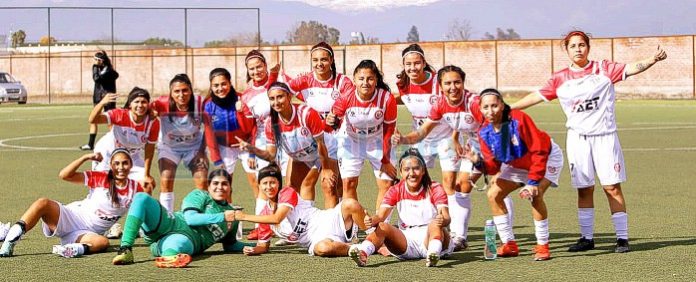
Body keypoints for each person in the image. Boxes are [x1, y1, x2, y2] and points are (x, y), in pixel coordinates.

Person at [512, 30, 667, 253]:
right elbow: (536, 95)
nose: (578, 49)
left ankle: (622, 239)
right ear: (567, 50)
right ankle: (587, 238)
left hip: (605, 137)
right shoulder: (559, 78)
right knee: (584, 189)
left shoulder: (604, 69)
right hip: (578, 140)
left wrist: (652, 59)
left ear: (588, 47)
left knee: (611, 187)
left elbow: (631, 68)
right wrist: (508, 108)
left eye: (582, 45)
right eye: (573, 46)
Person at [393, 65, 514, 250]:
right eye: (447, 83)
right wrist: (404, 139)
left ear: (463, 83)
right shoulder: (441, 103)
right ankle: (460, 237)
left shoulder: (474, 102)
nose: (453, 87)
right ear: (440, 86)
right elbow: (423, 131)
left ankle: (508, 238)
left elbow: (494, 128)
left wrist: (491, 161)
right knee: (460, 187)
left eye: (457, 82)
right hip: (475, 145)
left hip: (497, 141)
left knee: (498, 187)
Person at [465, 88, 564, 260]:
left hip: (546, 157)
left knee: (536, 195)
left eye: (494, 105)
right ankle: (509, 244)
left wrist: (533, 182)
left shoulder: (518, 119)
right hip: (517, 163)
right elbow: (494, 166)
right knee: (493, 194)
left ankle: (542, 245)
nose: (490, 111)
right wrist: (477, 162)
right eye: (486, 107)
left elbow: (538, 151)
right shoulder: (484, 133)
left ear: (502, 105)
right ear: (480, 109)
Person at [0, 149, 143, 258]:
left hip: (86, 234)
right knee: (42, 203)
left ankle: (70, 249)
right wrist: (85, 157)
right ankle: (10, 241)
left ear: (131, 165)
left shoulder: (135, 189)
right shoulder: (101, 178)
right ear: (111, 165)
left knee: (103, 243)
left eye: (125, 163)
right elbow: (65, 175)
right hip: (72, 217)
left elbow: (143, 209)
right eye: (116, 163)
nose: (121, 167)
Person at [112, 169, 252, 268]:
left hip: (187, 240)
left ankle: (168, 256)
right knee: (141, 198)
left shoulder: (233, 216)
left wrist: (257, 246)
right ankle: (126, 249)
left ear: (230, 187)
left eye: (224, 184)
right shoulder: (199, 195)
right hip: (170, 223)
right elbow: (190, 219)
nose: (219, 187)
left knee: (178, 243)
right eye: (215, 184)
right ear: (208, 187)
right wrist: (221, 216)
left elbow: (230, 245)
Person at [236, 82, 340, 209]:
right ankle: (301, 225)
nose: (276, 102)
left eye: (280, 97)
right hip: (301, 156)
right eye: (272, 99)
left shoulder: (306, 114)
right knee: (291, 189)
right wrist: (251, 148)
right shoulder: (271, 124)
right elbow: (270, 155)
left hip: (325, 151)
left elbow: (321, 143)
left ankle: (332, 226)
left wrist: (326, 168)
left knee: (325, 186)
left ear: (289, 97)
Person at [233, 163, 369, 257]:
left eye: (272, 182)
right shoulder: (264, 215)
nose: (269, 187)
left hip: (327, 219)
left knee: (350, 204)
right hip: (315, 239)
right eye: (265, 183)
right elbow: (263, 245)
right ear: (260, 186)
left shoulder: (286, 193)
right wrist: (253, 249)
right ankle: (356, 248)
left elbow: (277, 218)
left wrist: (243, 216)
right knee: (323, 249)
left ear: (279, 183)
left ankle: (373, 240)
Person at [348, 148, 453, 267]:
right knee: (382, 226)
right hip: (407, 240)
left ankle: (433, 254)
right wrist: (371, 221)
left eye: (416, 168)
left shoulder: (434, 188)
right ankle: (362, 253)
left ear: (423, 170)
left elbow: (446, 217)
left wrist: (442, 220)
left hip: (432, 237)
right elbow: (381, 216)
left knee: (435, 224)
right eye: (407, 169)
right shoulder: (396, 189)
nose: (412, 173)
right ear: (401, 172)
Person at [283, 41, 354, 207]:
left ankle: (340, 224)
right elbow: (281, 93)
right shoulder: (305, 79)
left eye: (323, 59)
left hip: (333, 138)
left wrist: (336, 116)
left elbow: (350, 102)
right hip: (308, 139)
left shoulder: (342, 81)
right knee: (297, 183)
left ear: (331, 60)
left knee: (332, 186)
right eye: (315, 60)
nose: (319, 64)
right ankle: (303, 223)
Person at [326, 59, 397, 210]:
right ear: (354, 80)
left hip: (378, 141)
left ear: (376, 80)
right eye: (361, 79)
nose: (366, 82)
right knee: (349, 183)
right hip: (351, 141)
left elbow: (389, 130)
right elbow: (332, 122)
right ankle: (356, 222)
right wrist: (331, 119)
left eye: (370, 78)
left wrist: (385, 159)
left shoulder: (386, 99)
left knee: (387, 183)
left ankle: (379, 227)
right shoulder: (345, 97)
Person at [150, 74, 208, 212]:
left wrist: (201, 151)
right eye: (176, 91)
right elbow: (142, 109)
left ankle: (202, 217)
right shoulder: (161, 103)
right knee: (166, 179)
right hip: (169, 148)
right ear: (171, 93)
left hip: (194, 147)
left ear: (190, 90)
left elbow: (209, 129)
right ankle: (167, 218)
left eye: (185, 90)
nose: (181, 95)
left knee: (202, 181)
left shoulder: (200, 103)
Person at [89, 87, 159, 193]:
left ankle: (138, 209)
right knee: (101, 188)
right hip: (108, 154)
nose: (140, 105)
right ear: (130, 104)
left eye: (144, 102)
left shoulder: (153, 123)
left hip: (132, 157)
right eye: (137, 102)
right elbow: (93, 119)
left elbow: (149, 150)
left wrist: (146, 174)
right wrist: (102, 103)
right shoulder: (120, 114)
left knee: (147, 184)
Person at [81, 50, 119, 151]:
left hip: (108, 96)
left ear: (103, 60)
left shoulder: (109, 69)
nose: (96, 61)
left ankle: (117, 142)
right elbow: (96, 79)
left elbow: (115, 75)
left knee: (110, 120)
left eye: (98, 60)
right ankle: (90, 144)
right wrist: (97, 69)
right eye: (95, 59)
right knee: (94, 119)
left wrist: (104, 74)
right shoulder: (95, 68)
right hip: (98, 96)